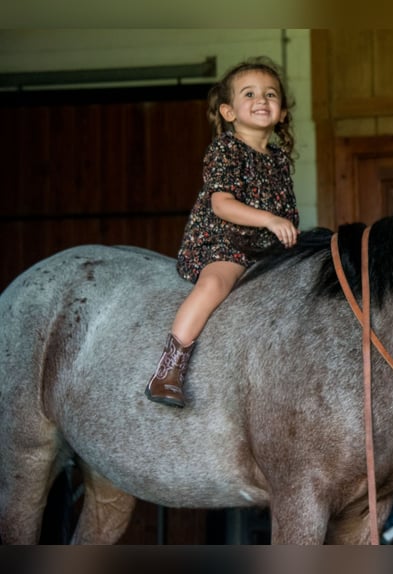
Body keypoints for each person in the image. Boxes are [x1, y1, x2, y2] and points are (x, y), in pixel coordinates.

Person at [145, 56, 300, 408]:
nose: (262, 100)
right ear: (229, 112)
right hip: (223, 243)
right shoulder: (227, 149)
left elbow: (284, 210)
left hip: (265, 249)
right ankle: (169, 369)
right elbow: (222, 205)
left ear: (283, 113)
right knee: (215, 284)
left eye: (271, 94)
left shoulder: (278, 159)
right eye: (249, 94)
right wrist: (270, 221)